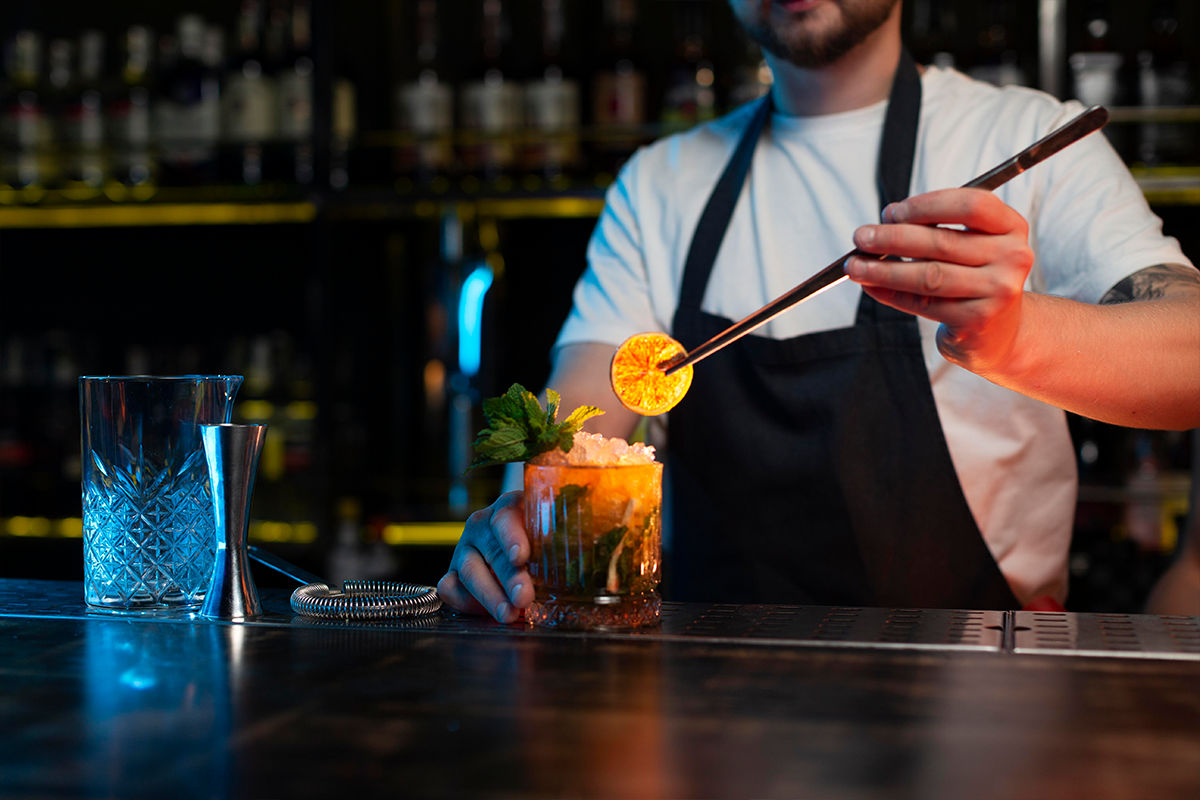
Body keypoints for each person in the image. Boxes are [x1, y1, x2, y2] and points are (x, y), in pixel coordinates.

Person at [439, 0, 1200, 622]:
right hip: (711, 708)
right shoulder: (658, 184)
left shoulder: (1025, 137)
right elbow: (584, 409)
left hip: (983, 702)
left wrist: (1017, 334)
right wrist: (521, 520)